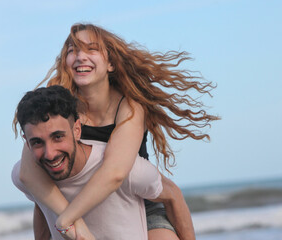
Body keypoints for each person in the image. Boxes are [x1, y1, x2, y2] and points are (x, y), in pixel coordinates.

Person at [12, 23, 218, 240]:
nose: (81, 56)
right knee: (41, 196)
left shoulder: (129, 107)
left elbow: (115, 173)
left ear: (110, 63)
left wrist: (67, 219)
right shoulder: (58, 107)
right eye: (72, 51)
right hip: (71, 202)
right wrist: (68, 217)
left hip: (136, 198)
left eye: (91, 49)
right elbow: (28, 172)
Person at [12, 85, 193, 240]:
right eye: (37, 142)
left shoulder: (128, 170)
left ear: (77, 130)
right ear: (26, 142)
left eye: (58, 137)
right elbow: (40, 204)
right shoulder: (29, 177)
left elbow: (172, 193)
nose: (50, 154)